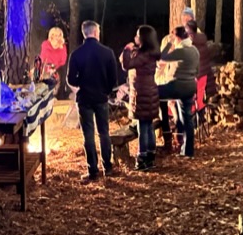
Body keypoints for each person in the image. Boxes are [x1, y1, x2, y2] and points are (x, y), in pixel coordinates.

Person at [67, 20, 119, 181]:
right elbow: (113, 79)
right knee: (104, 132)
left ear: (84, 33)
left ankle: (93, 170)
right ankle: (108, 167)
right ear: (96, 32)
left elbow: (71, 79)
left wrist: (81, 84)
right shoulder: (107, 52)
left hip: (84, 98)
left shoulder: (76, 54)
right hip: (101, 98)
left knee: (88, 135)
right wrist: (107, 90)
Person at [121, 25, 161, 171]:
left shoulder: (143, 56)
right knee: (148, 125)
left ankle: (142, 158)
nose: (135, 38)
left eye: (137, 35)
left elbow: (126, 65)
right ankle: (150, 156)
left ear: (143, 38)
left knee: (142, 127)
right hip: (150, 92)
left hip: (141, 94)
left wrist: (126, 49)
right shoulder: (150, 54)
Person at [158, 26, 200, 157]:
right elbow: (197, 71)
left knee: (153, 92)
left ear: (177, 38)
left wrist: (169, 43)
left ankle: (162, 131)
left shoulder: (181, 50)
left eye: (173, 38)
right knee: (187, 118)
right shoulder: (195, 50)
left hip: (176, 87)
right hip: (190, 87)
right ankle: (188, 151)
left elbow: (162, 57)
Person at [185, 17, 214, 95]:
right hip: (207, 81)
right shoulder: (202, 42)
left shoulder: (193, 46)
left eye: (187, 31)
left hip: (199, 83)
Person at [38, 26, 68, 92]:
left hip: (57, 69)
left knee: (60, 74)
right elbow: (43, 57)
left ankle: (59, 92)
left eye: (59, 35)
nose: (57, 37)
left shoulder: (63, 46)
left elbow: (63, 61)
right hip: (45, 68)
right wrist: (48, 68)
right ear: (51, 36)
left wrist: (55, 68)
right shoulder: (45, 44)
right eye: (55, 35)